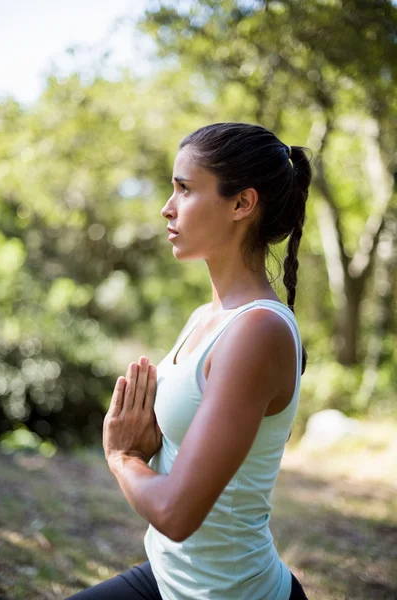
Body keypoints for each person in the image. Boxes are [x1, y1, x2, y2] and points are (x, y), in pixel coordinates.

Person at [67, 122, 311, 599]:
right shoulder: (208, 316)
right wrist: (155, 443)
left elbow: (177, 514)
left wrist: (123, 458)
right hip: (165, 578)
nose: (167, 206)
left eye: (184, 188)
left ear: (242, 204)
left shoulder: (257, 331)